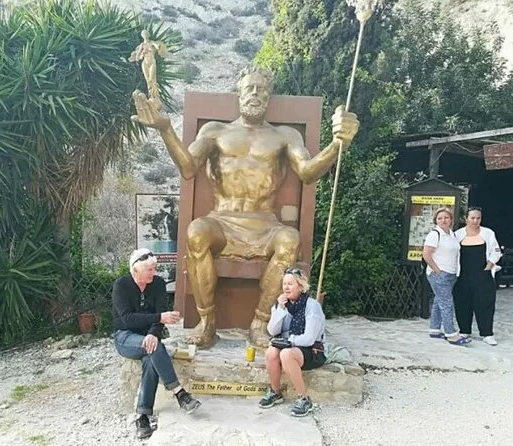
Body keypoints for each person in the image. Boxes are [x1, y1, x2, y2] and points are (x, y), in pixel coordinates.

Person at [132, 65, 359, 348]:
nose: (255, 93)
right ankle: (207, 322)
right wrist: (166, 129)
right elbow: (188, 168)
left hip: (265, 224)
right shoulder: (215, 131)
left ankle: (260, 323)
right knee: (196, 232)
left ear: (269, 96)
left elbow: (308, 172)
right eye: (249, 88)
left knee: (290, 239)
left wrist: (338, 144)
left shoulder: (285, 135)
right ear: (239, 93)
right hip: (222, 221)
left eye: (261, 89)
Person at [112, 248, 201, 439]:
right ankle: (179, 392)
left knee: (151, 355)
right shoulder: (121, 285)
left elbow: (160, 316)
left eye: (154, 268)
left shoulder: (158, 284)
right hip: (125, 336)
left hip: (149, 337)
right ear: (136, 270)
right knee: (155, 347)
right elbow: (127, 319)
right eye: (150, 269)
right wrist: (159, 318)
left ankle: (143, 416)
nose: (154, 272)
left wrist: (153, 333)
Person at [258, 268, 326, 417]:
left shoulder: (312, 306)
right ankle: (275, 392)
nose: (286, 288)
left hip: (312, 350)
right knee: (271, 352)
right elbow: (272, 330)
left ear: (300, 286)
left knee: (286, 354)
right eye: (284, 284)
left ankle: (304, 398)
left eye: (290, 284)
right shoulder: (282, 304)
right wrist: (280, 309)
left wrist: (288, 341)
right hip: (289, 346)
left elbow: (309, 339)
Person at [453, 207, 502, 346]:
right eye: (472, 218)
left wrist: (489, 265)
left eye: (478, 218)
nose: (475, 221)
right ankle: (464, 330)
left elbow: (496, 251)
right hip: (462, 275)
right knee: (462, 303)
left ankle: (487, 333)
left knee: (485, 304)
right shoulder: (457, 235)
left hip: (483, 274)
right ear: (466, 218)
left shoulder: (488, 233)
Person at [422, 207, 469, 345]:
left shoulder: (452, 235)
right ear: (435, 220)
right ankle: (451, 334)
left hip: (451, 273)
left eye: (446, 217)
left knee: (439, 301)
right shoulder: (434, 235)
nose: (443, 220)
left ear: (451, 220)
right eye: (440, 218)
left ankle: (434, 329)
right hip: (439, 274)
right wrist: (437, 271)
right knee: (447, 304)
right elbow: (426, 255)